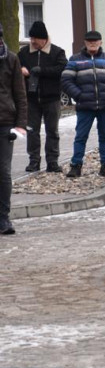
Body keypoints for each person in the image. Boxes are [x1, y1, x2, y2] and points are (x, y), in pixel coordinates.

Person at [61, 30, 105, 178]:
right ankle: (76, 166)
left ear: (101, 42)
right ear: (85, 43)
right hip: (84, 106)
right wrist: (78, 95)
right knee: (81, 137)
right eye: (89, 42)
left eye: (95, 42)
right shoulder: (75, 60)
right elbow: (66, 80)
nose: (92, 44)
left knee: (104, 137)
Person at [17, 20, 66, 173]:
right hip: (31, 99)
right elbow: (15, 66)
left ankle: (52, 161)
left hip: (52, 98)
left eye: (35, 38)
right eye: (31, 38)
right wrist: (21, 70)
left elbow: (62, 69)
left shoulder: (57, 52)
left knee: (52, 131)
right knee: (32, 131)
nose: (32, 41)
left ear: (43, 38)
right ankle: (34, 161)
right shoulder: (24, 53)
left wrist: (42, 70)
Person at [0, 33, 28, 234]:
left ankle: (3, 218)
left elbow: (20, 93)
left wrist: (21, 124)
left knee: (3, 172)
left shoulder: (11, 59)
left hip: (4, 121)